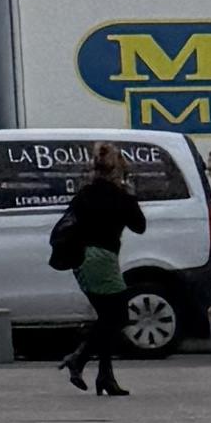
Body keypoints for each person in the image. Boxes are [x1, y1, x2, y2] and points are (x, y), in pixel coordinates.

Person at [50, 145, 144, 402]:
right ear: (119, 170)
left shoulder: (85, 193)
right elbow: (139, 226)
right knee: (118, 316)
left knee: (107, 318)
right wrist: (131, 196)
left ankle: (105, 376)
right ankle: (78, 358)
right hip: (101, 258)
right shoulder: (119, 195)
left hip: (80, 259)